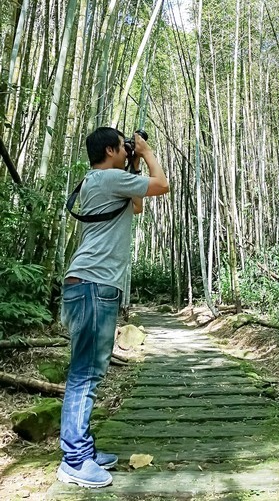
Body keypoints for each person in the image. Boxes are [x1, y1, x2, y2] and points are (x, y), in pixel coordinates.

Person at [57, 127, 169, 488]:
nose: (128, 148)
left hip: (89, 284)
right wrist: (148, 152)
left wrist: (132, 161)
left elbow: (136, 206)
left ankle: (83, 450)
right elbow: (162, 186)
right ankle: (73, 460)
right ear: (109, 149)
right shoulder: (108, 178)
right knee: (85, 375)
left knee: (89, 371)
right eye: (123, 145)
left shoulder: (102, 180)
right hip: (93, 284)